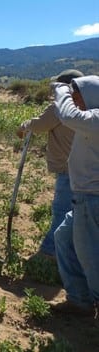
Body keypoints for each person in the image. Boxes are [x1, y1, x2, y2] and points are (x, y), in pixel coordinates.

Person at [17, 69, 83, 258]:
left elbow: (39, 125)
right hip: (87, 169)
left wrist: (23, 126)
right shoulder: (89, 106)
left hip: (68, 168)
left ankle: (50, 251)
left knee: (62, 210)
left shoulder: (60, 108)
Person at [50, 75, 99, 317]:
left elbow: (67, 115)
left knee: (91, 257)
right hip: (84, 197)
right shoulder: (90, 120)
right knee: (63, 237)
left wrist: (61, 90)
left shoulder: (96, 118)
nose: (75, 102)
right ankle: (80, 298)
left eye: (77, 96)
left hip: (92, 198)